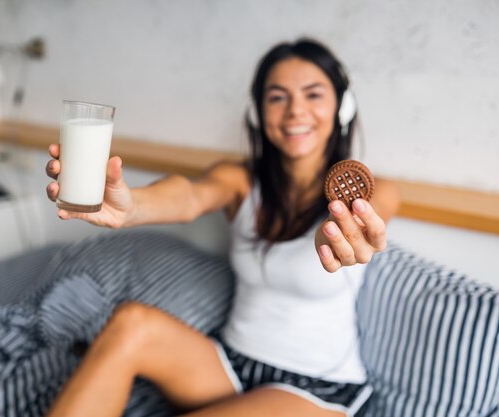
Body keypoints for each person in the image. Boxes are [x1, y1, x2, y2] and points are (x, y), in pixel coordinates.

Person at [44, 38, 400, 417]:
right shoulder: (239, 181)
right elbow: (189, 197)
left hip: (315, 388)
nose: (296, 111)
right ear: (257, 112)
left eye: (313, 95)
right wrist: (131, 207)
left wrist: (336, 235)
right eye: (277, 97)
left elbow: (343, 227)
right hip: (230, 365)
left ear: (343, 106)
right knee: (131, 322)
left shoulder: (378, 192)